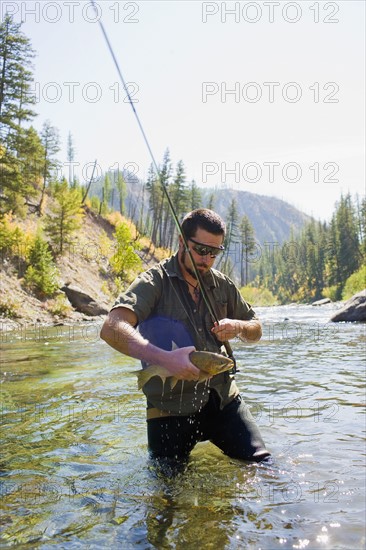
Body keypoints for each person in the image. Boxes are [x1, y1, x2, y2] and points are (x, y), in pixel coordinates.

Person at [100, 209, 270, 471]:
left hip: (222, 398)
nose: (207, 259)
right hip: (169, 407)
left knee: (264, 467)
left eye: (214, 253)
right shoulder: (153, 282)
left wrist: (238, 327)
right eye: (200, 250)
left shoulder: (223, 285)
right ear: (182, 242)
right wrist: (165, 359)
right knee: (166, 492)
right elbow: (111, 328)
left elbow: (256, 329)